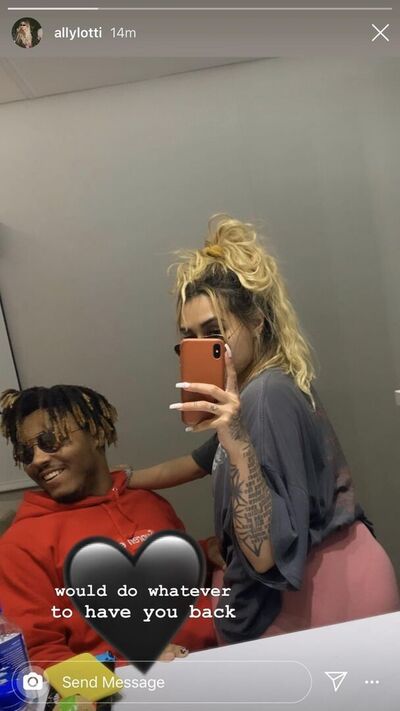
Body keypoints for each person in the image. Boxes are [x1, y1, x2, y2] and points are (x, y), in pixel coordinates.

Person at [124, 215, 399, 644]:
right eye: (189, 337)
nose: (201, 348)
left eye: (215, 332)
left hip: (322, 598)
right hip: (333, 579)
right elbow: (198, 463)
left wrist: (234, 440)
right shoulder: (255, 390)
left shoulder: (265, 395)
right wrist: (123, 480)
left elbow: (264, 554)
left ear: (256, 321)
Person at [0, 385, 219, 667]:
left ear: (96, 434)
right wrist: (129, 668)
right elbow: (42, 659)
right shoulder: (20, 546)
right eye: (26, 453)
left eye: (50, 440)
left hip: (221, 659)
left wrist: (205, 552)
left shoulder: (147, 501)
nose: (38, 459)